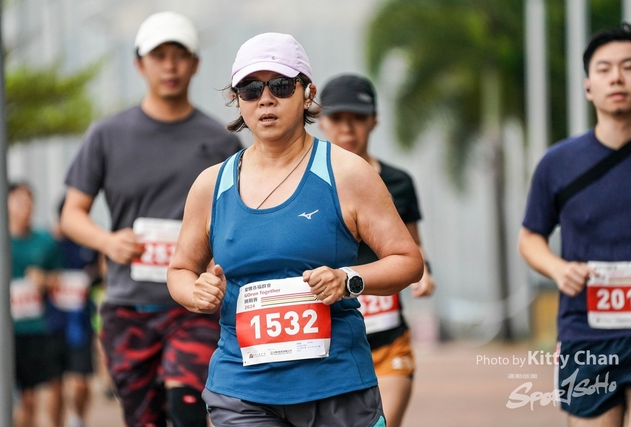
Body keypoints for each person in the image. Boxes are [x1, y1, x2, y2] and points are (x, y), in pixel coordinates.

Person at [167, 32, 424, 427]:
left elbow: (408, 261)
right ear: (237, 99)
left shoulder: (347, 173)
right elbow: (180, 270)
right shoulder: (210, 185)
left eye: (282, 86)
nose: (266, 99)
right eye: (251, 89)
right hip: (242, 390)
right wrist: (195, 293)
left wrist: (347, 279)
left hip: (337, 387)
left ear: (308, 94)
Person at [60, 11, 243, 427]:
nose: (170, 66)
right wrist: (108, 242)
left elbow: (238, 218)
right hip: (129, 308)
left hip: (193, 306)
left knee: (187, 407)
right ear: (139, 64)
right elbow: (72, 214)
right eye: (159, 56)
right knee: (144, 419)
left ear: (195, 64)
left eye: (180, 56)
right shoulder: (107, 135)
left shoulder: (221, 141)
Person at [518, 23, 631, 426]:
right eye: (604, 69)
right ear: (588, 86)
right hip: (586, 333)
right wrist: (558, 268)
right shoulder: (558, 163)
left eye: (629, 67)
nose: (617, 77)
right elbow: (530, 236)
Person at [318, 73, 435, 427]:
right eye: (337, 118)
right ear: (321, 121)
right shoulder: (305, 185)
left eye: (358, 117)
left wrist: (424, 272)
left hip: (387, 340)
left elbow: (412, 247)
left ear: (374, 121)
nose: (347, 128)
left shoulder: (398, 182)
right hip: (329, 343)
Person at [9, 182, 63, 427]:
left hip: (40, 328)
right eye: (20, 201)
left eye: (30, 201)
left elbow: (59, 278)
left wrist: (45, 280)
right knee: (23, 399)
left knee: (50, 388)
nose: (27, 207)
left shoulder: (45, 241)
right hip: (8, 333)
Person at [48, 198, 102, 427]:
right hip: (53, 324)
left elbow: (101, 277)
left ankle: (77, 420)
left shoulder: (91, 246)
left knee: (81, 382)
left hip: (81, 324)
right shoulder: (50, 245)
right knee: (55, 386)